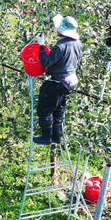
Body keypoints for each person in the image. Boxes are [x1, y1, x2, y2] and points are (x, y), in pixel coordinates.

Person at [32, 14, 83, 146]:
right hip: (71, 80)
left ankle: (46, 137)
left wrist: (41, 46)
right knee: (59, 108)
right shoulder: (78, 44)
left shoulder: (60, 46)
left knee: (45, 108)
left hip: (59, 81)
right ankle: (57, 136)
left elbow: (45, 62)